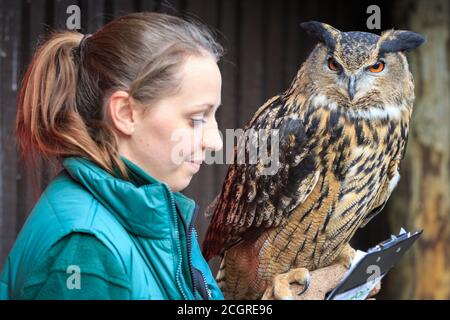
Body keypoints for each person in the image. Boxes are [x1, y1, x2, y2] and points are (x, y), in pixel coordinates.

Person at [0, 11, 365, 300]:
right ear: (126, 113)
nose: (215, 141)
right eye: (196, 118)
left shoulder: (151, 211)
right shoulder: (84, 246)